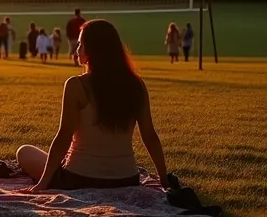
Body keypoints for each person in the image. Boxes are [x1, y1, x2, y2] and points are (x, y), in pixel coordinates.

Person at [16, 19, 170, 191]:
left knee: (24, 151)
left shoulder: (76, 85)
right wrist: (164, 179)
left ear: (92, 50)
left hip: (79, 179)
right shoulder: (136, 85)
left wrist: (43, 183)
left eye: (80, 44)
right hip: (127, 179)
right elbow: (149, 136)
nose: (77, 49)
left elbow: (64, 136)